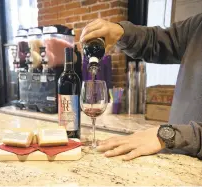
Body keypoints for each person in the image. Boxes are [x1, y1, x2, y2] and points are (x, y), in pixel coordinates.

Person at [80, 13, 202, 161]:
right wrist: (120, 32)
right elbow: (159, 40)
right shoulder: (198, 24)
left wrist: (171, 135)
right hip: (177, 156)